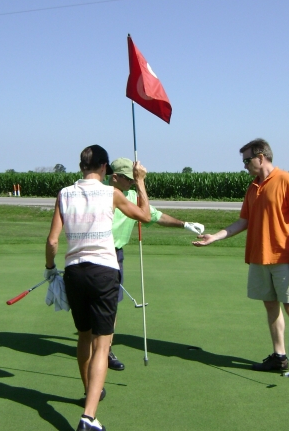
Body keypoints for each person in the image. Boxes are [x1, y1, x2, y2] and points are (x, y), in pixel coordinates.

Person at [193, 138, 289, 384]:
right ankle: (279, 356)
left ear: (261, 157)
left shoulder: (287, 180)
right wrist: (215, 237)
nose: (244, 165)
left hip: (285, 257)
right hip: (259, 256)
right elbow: (244, 221)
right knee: (270, 306)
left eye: (247, 160)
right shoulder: (253, 187)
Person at [45, 145, 152, 431]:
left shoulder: (64, 194)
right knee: (102, 345)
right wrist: (140, 181)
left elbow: (53, 241)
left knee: (83, 337)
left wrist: (49, 269)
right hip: (104, 271)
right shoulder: (111, 193)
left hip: (74, 272)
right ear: (104, 168)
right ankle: (89, 417)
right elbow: (146, 215)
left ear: (81, 166)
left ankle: (89, 392)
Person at [105, 157, 205, 371]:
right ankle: (94, 348)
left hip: (116, 255)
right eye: (129, 179)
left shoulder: (132, 195)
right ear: (115, 177)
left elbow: (153, 216)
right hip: (95, 253)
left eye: (135, 179)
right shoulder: (101, 194)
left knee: (111, 306)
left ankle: (105, 350)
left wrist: (185, 225)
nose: (133, 182)